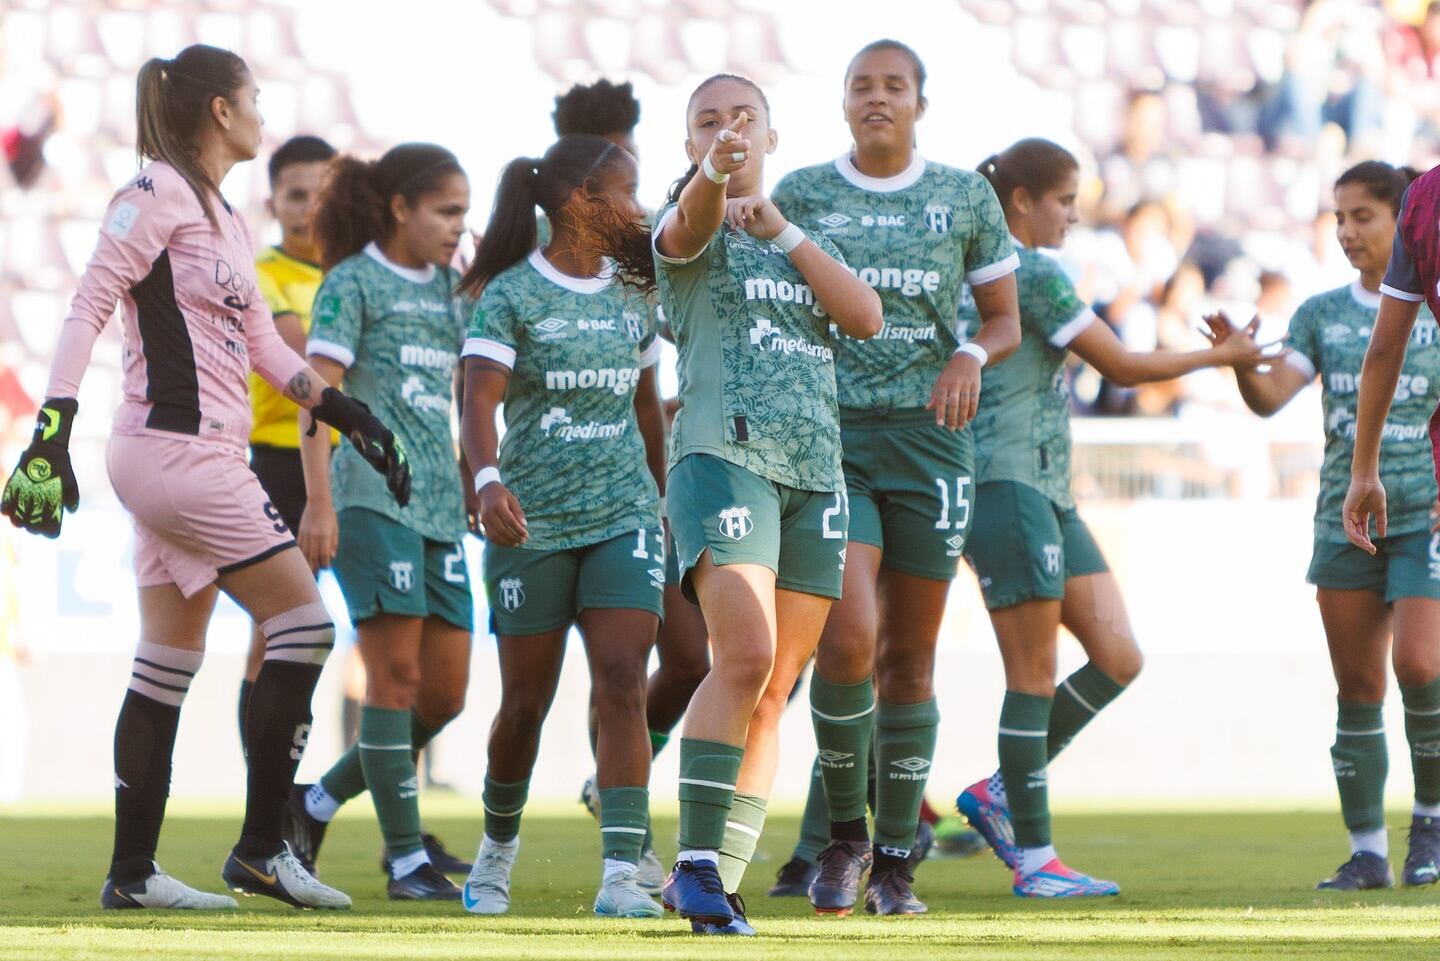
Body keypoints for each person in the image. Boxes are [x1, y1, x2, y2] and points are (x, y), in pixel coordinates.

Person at [0, 44, 409, 910]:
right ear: (221, 111)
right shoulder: (152, 193)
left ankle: (133, 874)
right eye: (253, 97)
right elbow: (86, 304)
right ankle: (264, 848)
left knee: (165, 663)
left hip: (183, 457)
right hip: (177, 452)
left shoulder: (221, 215)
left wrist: (352, 416)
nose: (263, 110)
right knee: (304, 626)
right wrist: (51, 430)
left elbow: (265, 349)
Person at [578, 73, 882, 934]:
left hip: (815, 477)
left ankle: (715, 879)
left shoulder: (796, 236)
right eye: (706, 121)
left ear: (775, 138)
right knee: (742, 654)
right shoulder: (683, 232)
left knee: (776, 686)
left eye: (743, 117)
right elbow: (688, 227)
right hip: (722, 461)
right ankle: (697, 863)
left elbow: (864, 316)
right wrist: (714, 175)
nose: (727, 129)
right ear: (688, 145)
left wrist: (783, 229)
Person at [953, 138, 1270, 898]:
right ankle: (1035, 859)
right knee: (1032, 675)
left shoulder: (984, 273)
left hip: (1048, 491)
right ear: (1022, 201)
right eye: (1064, 199)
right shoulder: (1027, 270)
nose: (1073, 214)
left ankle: (998, 793)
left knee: (1119, 653)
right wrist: (1218, 358)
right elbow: (1121, 366)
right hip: (1006, 485)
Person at [769, 39, 1021, 916]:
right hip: (828, 441)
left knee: (910, 659)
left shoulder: (963, 195)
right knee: (847, 641)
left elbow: (1003, 322)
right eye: (861, 85)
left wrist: (966, 355)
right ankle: (840, 839)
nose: (877, 97)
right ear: (841, 103)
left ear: (920, 101)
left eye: (894, 85)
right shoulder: (802, 191)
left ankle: (893, 864)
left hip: (931, 445)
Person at [455, 134, 669, 919]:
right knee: (525, 706)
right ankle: (497, 850)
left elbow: (648, 409)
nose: (640, 209)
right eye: (629, 191)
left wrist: (664, 497)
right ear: (584, 202)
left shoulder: (635, 292)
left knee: (621, 680)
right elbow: (478, 401)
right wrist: (487, 482)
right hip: (530, 524)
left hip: (623, 516)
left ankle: (620, 874)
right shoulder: (510, 294)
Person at [280, 142, 475, 901]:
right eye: (447, 210)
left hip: (440, 508)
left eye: (463, 211)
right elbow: (314, 395)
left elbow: (455, 396)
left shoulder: (452, 290)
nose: (460, 226)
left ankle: (315, 800)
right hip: (370, 496)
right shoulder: (353, 280)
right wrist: (319, 500)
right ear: (401, 208)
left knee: (445, 693)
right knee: (392, 679)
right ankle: (405, 860)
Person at [555, 80, 712, 866]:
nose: (638, 196)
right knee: (613, 669)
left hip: (645, 489)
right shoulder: (542, 253)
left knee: (689, 658)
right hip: (567, 497)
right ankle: (628, 832)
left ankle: (610, 780)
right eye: (627, 180)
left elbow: (649, 382)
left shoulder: (633, 262)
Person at [1330, 161, 1440, 889]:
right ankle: (1370, 844)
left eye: (1358, 215)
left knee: (1421, 665)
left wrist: (1364, 469)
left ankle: (1427, 821)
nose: (1345, 232)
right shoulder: (1421, 204)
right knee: (1363, 680)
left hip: (1421, 496)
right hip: (1374, 511)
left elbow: (1386, 347)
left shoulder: (1424, 198)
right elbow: (1381, 350)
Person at [238, 134, 337, 753]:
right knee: (277, 634)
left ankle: (399, 833)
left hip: (356, 462)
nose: (308, 208)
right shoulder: (261, 274)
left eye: (320, 194)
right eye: (294, 195)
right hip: (280, 463)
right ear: (273, 203)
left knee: (389, 647)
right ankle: (270, 800)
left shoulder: (360, 272)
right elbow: (303, 358)